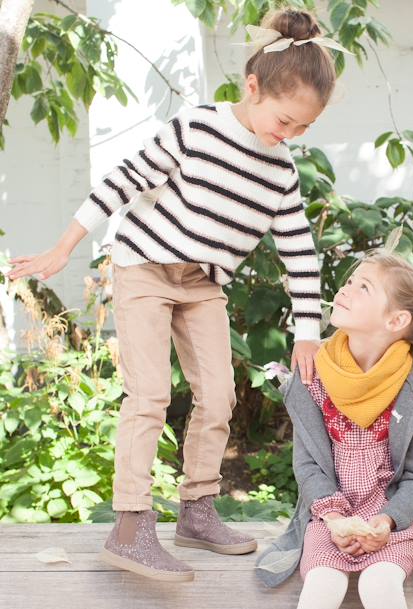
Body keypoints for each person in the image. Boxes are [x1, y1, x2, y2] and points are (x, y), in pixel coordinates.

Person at [6, 8, 350, 582]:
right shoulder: (198, 128)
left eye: (302, 130)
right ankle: (130, 527)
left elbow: (299, 252)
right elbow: (123, 180)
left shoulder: (281, 172)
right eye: (285, 121)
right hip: (144, 266)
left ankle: (197, 509)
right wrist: (65, 246)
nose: (288, 136)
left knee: (218, 397)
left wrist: (308, 333)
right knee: (148, 396)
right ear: (253, 86)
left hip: (202, 283)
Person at [255, 251, 413, 608]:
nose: (345, 290)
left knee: (380, 586)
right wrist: (334, 518)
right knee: (321, 586)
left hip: (394, 521)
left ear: (396, 320)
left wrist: (387, 520)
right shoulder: (310, 374)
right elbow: (308, 466)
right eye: (349, 281)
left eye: (363, 287)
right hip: (328, 516)